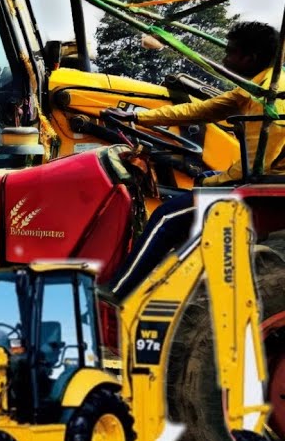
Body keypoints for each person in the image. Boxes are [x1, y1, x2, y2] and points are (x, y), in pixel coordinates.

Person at [105, 21, 284, 296]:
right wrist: (137, 116)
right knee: (196, 186)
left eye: (231, 52)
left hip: (270, 182)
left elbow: (257, 168)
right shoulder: (256, 86)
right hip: (264, 176)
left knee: (167, 215)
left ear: (251, 58)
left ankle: (116, 292)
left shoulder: (270, 98)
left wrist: (215, 182)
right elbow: (203, 110)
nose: (225, 59)